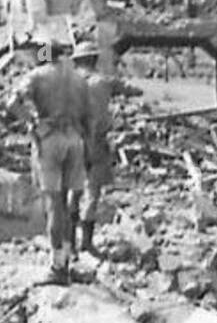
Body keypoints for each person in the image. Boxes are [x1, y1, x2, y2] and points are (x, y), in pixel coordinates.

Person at [10, 41, 90, 284]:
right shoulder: (79, 79)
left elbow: (12, 103)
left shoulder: (37, 75)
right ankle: (66, 260)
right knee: (66, 202)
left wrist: (32, 122)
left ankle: (57, 268)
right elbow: (89, 115)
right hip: (76, 140)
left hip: (51, 140)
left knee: (54, 203)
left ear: (44, 55)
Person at [71, 41, 140, 257]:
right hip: (97, 142)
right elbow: (133, 90)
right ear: (94, 60)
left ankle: (70, 243)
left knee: (72, 191)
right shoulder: (103, 81)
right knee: (92, 191)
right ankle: (87, 243)